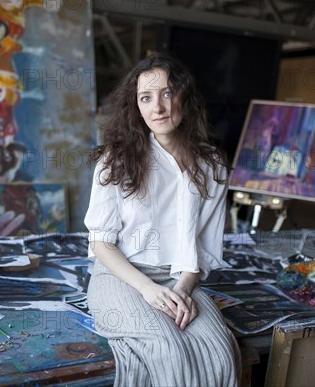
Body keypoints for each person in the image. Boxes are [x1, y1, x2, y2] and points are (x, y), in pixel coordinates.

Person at [84, 53, 241, 386]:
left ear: (184, 97)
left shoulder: (212, 166)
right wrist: (148, 291)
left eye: (167, 93)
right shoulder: (116, 160)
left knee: (220, 348)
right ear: (137, 107)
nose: (158, 106)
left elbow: (205, 248)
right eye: (146, 97)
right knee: (166, 348)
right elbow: (100, 242)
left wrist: (182, 291)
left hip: (178, 280)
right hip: (121, 277)